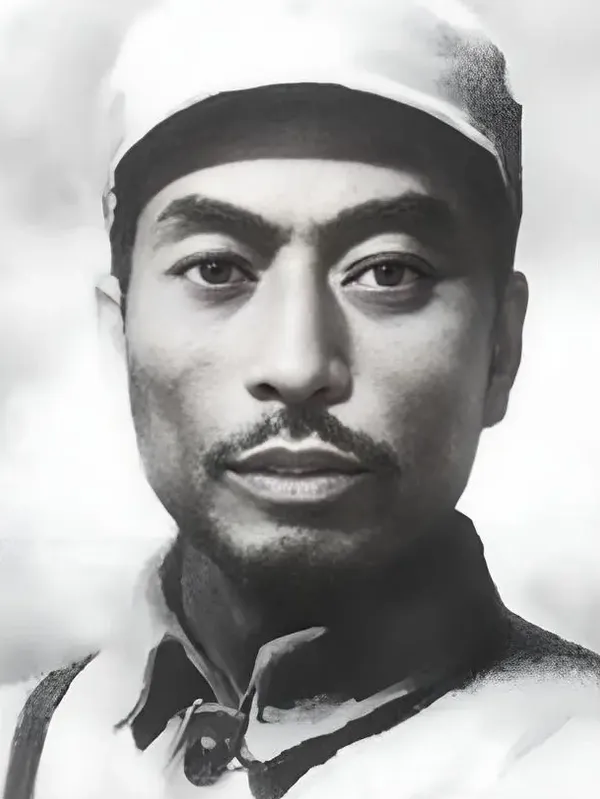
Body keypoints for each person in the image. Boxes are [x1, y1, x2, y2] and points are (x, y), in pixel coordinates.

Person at [2, 1, 600, 797]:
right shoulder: (24, 746)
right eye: (217, 269)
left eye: (389, 271)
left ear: (501, 346)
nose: (297, 363)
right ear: (121, 338)